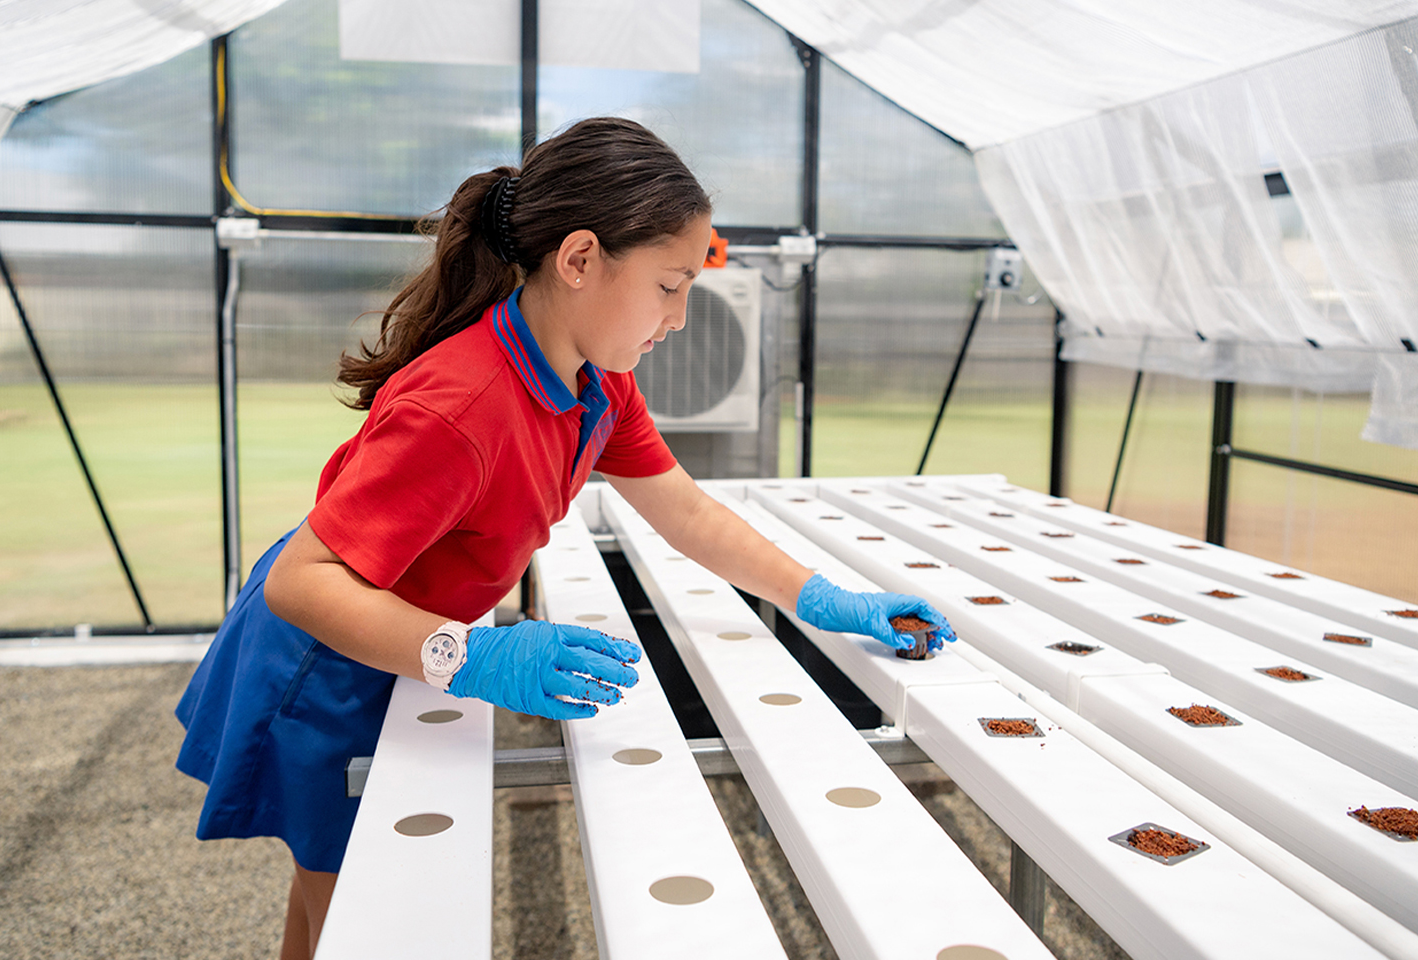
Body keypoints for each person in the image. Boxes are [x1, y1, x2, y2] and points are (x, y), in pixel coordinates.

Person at [173, 117, 955, 960]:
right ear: (580, 260)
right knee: (360, 916)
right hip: (325, 663)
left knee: (333, 901)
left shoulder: (598, 384)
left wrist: (822, 597)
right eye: (669, 285)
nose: (683, 317)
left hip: (403, 642)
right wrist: (471, 658)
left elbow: (687, 514)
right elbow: (305, 582)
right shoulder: (461, 405)